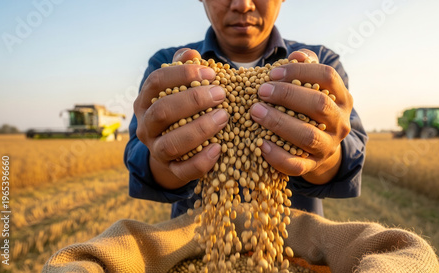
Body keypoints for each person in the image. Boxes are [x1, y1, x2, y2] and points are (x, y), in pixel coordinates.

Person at [124, 0, 367, 219]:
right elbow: (142, 163)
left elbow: (349, 158)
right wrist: (167, 158)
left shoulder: (320, 65)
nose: (242, 5)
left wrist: (324, 155)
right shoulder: (169, 67)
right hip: (198, 241)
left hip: (290, 243)